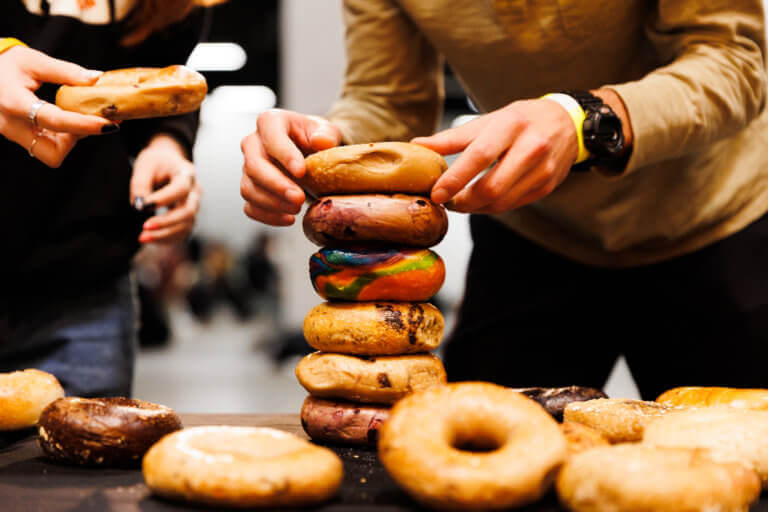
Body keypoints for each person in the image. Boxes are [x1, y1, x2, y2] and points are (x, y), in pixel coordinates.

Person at [242, 1, 768, 400]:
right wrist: (326, 148)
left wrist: (584, 121)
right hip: (532, 234)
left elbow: (735, 61)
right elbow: (388, 102)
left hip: (714, 221)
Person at [0, 0, 205, 397]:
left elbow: (157, 87)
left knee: (81, 451)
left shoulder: (172, 6)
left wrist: (168, 144)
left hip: (85, 286)